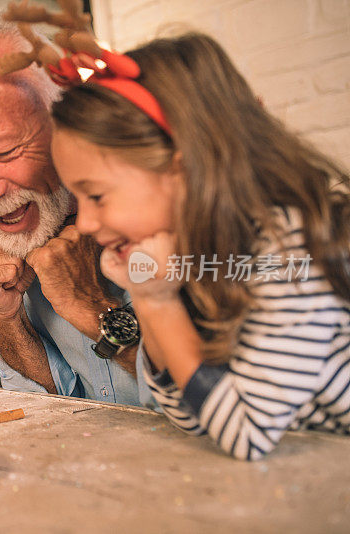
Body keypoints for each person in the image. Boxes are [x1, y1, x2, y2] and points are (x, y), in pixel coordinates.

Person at [50, 32, 350, 459]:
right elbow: (190, 413)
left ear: (185, 169)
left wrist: (155, 303)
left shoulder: (290, 253)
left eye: (96, 195)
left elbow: (246, 433)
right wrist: (148, 290)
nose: (85, 222)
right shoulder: (201, 255)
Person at [0, 16, 151, 406]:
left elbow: (218, 401)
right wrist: (7, 320)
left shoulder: (168, 220)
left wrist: (90, 307)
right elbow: (54, 398)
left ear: (67, 125)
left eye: (4, 152)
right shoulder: (26, 228)